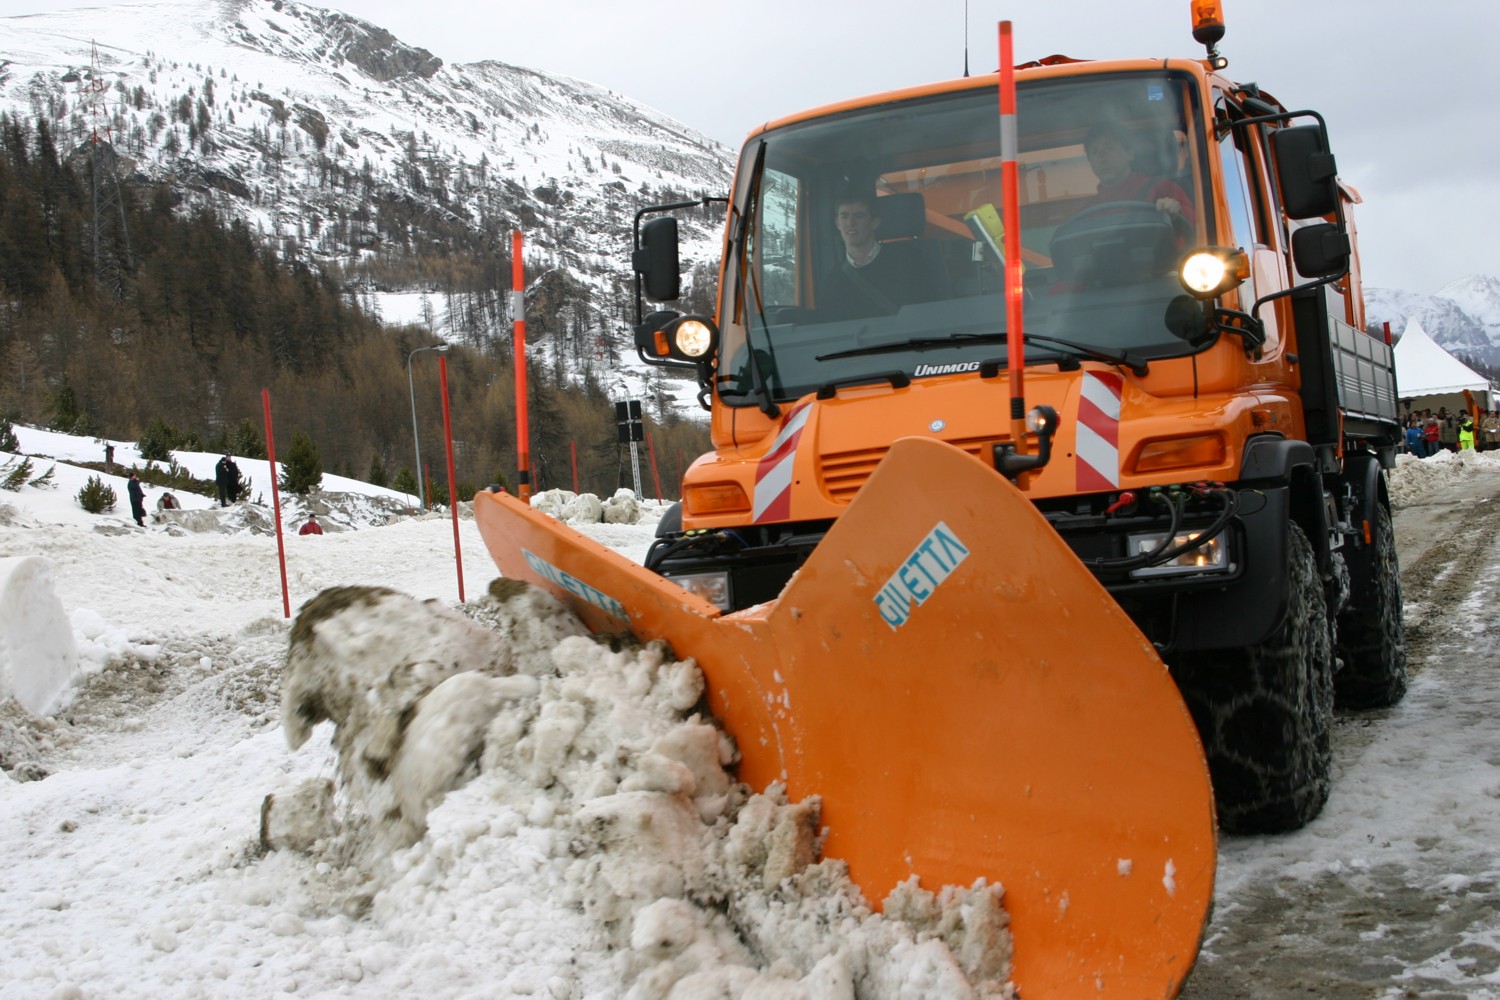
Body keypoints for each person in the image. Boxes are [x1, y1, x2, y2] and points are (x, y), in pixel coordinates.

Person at [817, 189, 930, 319]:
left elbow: (925, 312)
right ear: (837, 223)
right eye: (844, 216)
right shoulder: (832, 283)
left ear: (874, 223)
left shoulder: (907, 261)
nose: (850, 223)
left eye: (859, 216)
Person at [1080, 121, 1195, 225]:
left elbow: (1196, 225)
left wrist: (1177, 211)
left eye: (1109, 148)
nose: (1101, 158)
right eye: (1094, 152)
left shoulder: (1162, 189)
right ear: (1089, 160)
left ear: (1130, 154)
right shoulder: (1087, 212)